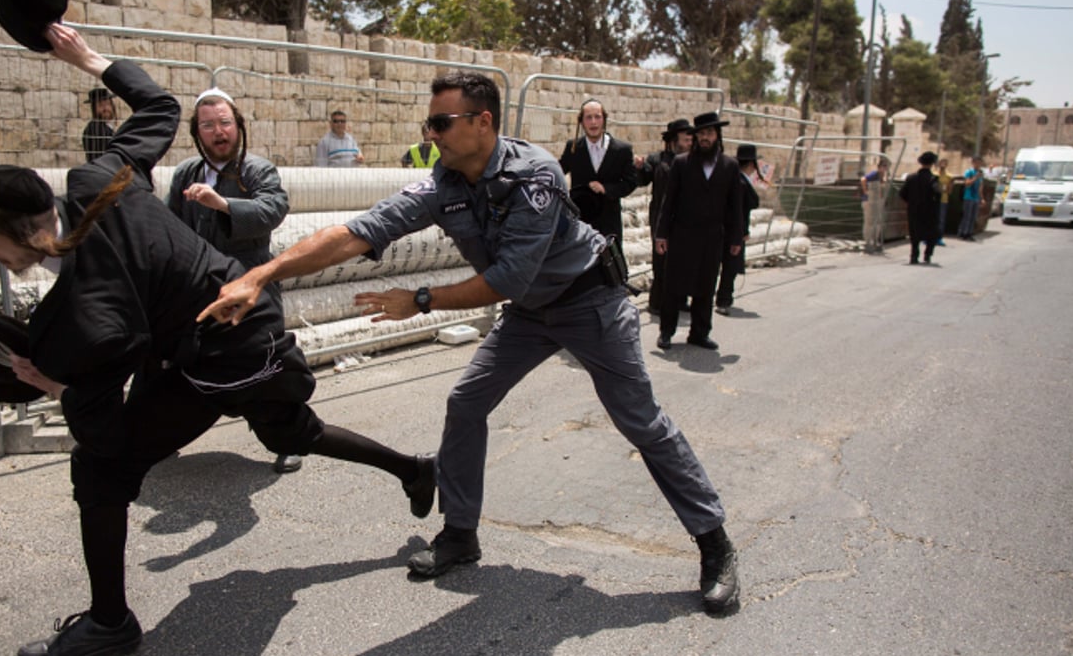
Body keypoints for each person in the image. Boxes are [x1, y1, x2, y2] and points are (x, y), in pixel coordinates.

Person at [0, 24, 436, 656]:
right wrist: (85, 57)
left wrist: (54, 386)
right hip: (223, 333)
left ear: (22, 227)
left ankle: (109, 623)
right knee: (290, 431)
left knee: (102, 472)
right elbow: (158, 107)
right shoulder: (96, 179)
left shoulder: (82, 319)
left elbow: (101, 416)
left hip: (228, 347)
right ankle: (413, 468)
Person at [200, 72, 741, 615]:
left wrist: (421, 299)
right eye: (429, 123)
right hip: (531, 313)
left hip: (589, 302)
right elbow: (358, 231)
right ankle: (460, 533)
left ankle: (713, 539)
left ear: (483, 122)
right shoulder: (445, 182)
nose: (431, 133)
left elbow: (508, 278)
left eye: (441, 123)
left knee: (639, 420)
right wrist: (262, 275)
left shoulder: (536, 175)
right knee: (466, 404)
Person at [167, 87, 302, 476]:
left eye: (225, 122)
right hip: (201, 286)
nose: (218, 132)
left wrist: (222, 204)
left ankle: (290, 440)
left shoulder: (257, 170)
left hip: (252, 284)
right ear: (197, 132)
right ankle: (159, 434)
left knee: (269, 364)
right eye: (208, 125)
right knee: (182, 361)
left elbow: (272, 209)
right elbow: (171, 225)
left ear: (238, 126)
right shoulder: (185, 174)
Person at [653, 111, 743, 352]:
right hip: (682, 235)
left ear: (717, 136)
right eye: (701, 134)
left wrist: (736, 237)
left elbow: (735, 206)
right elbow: (668, 202)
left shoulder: (729, 166)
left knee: (705, 286)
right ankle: (666, 331)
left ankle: (699, 333)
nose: (705, 138)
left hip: (712, 237)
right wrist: (661, 234)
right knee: (674, 286)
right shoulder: (681, 164)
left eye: (709, 133)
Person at [558, 99, 638, 260]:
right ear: (581, 122)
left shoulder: (622, 150)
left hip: (609, 220)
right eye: (588, 117)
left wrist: (606, 189)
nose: (593, 122)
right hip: (581, 220)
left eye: (597, 117)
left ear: (604, 119)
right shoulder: (573, 148)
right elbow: (559, 171)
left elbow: (630, 182)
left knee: (611, 265)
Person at [634, 118, 693, 316]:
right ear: (673, 140)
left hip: (686, 219)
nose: (689, 144)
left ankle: (681, 299)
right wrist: (641, 168)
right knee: (662, 261)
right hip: (661, 218)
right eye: (685, 140)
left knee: (684, 260)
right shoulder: (657, 159)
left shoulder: (692, 161)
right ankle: (657, 302)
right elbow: (642, 180)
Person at [715, 144, 762, 315]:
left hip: (729, 230)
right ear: (751, 164)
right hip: (733, 232)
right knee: (729, 268)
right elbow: (739, 212)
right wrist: (741, 233)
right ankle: (723, 300)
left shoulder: (736, 180)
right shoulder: (740, 183)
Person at [899, 151, 941, 264]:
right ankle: (927, 255)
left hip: (914, 210)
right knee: (931, 233)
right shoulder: (933, 179)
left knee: (914, 234)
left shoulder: (911, 178)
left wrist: (911, 202)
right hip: (929, 211)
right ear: (932, 163)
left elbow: (902, 193)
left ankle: (914, 256)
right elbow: (938, 195)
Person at [860, 158, 890, 253]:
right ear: (879, 167)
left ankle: (874, 240)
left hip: (877, 201)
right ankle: (868, 240)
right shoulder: (875, 174)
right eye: (884, 166)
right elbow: (863, 179)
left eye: (887, 166)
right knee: (869, 221)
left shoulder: (883, 177)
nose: (885, 168)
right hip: (869, 201)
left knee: (877, 222)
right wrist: (866, 191)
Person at [82, 87, 115, 160]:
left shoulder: (106, 127)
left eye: (108, 104)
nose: (105, 108)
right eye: (100, 105)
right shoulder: (94, 129)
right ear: (94, 109)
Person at [958, 156, 985, 240]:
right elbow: (967, 183)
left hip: (976, 198)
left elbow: (980, 187)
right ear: (973, 163)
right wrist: (975, 177)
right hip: (968, 196)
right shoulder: (969, 172)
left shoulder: (980, 174)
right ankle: (963, 232)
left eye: (980, 163)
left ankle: (969, 232)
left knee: (973, 217)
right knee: (967, 216)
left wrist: (982, 198)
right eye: (977, 162)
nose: (978, 164)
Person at [936, 156, 953, 246]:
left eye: (944, 163)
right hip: (934, 199)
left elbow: (950, 190)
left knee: (941, 220)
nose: (942, 165)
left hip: (943, 199)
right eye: (941, 163)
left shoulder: (949, 176)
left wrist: (946, 189)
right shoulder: (934, 174)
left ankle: (939, 238)